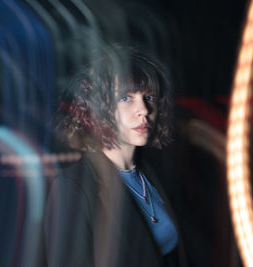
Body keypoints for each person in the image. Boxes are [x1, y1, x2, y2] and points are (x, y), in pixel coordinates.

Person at [43, 45, 186, 267]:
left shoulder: (155, 175)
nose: (144, 110)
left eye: (148, 96)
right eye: (125, 98)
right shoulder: (71, 187)